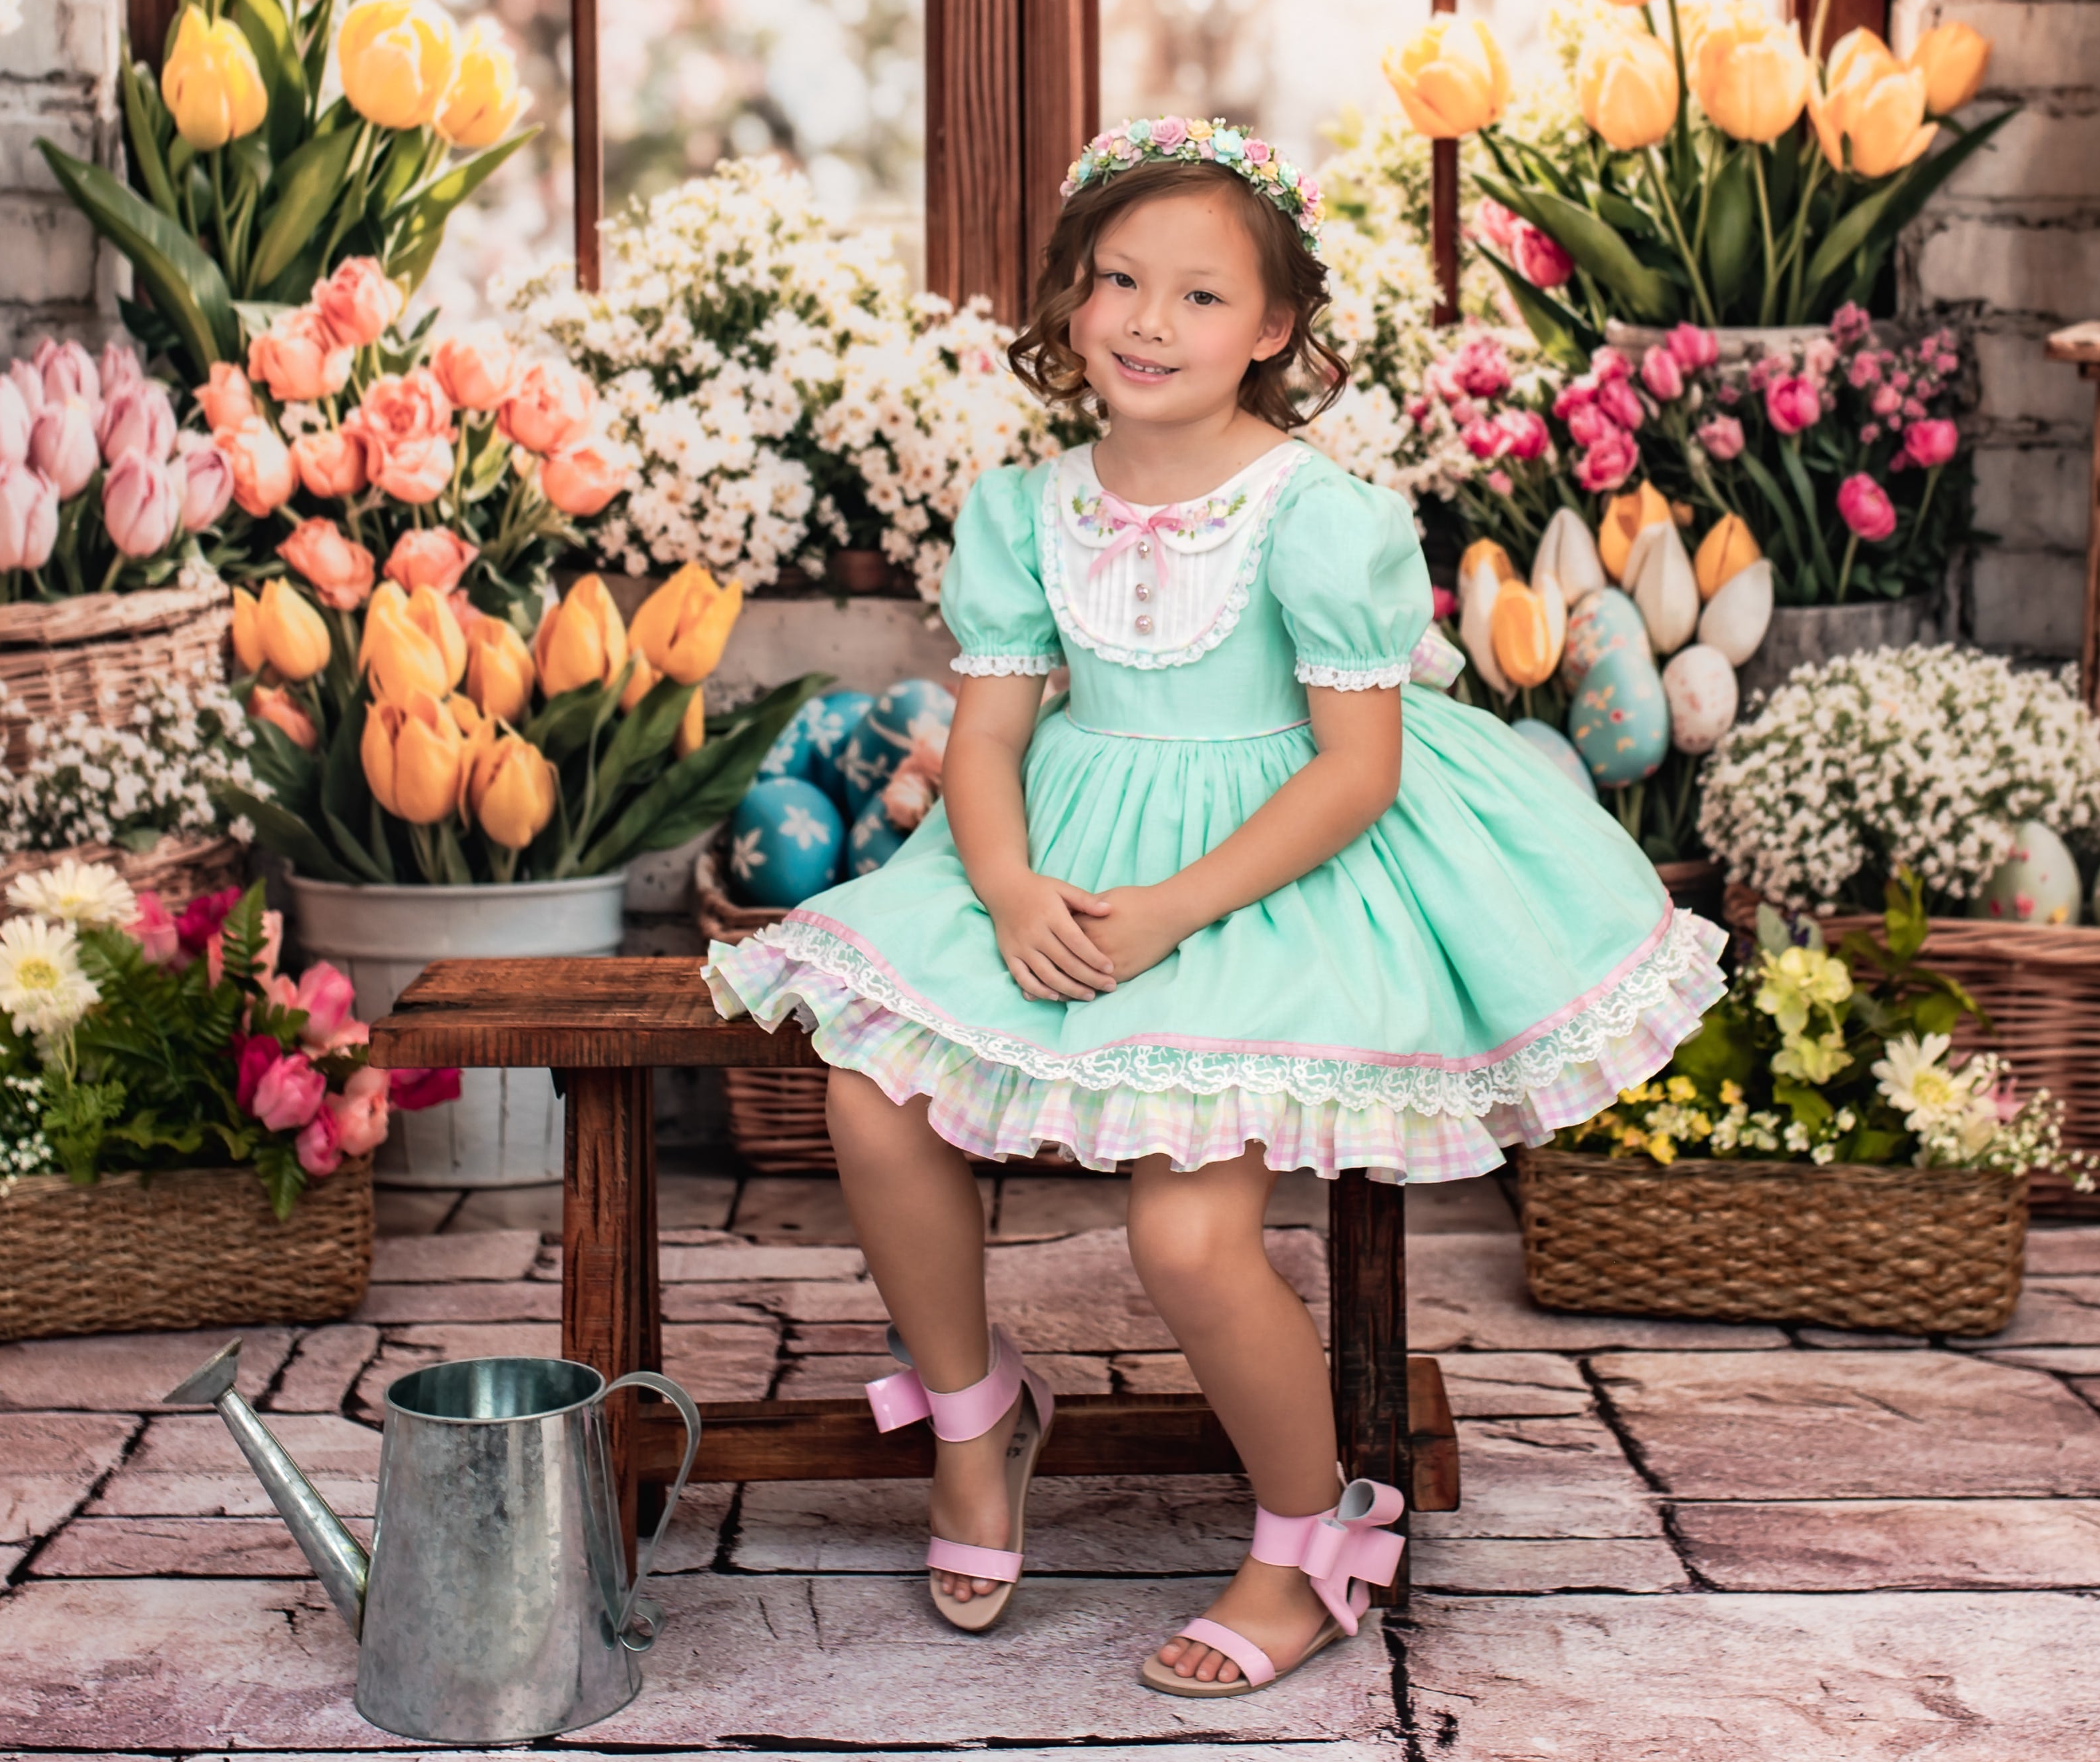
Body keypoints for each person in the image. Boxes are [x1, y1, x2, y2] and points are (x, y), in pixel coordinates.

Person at [705, 116, 1724, 1697]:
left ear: (1273, 329)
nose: (1144, 322)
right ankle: (976, 1414)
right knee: (868, 1094)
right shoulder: (1025, 508)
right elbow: (983, 735)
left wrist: (1172, 910)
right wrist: (1004, 882)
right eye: (1116, 280)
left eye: (1196, 296)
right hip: (1056, 843)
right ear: (1067, 300)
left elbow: (1354, 774)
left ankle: (1307, 1531)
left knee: (1186, 1231)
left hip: (1266, 872)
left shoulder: (1319, 515)